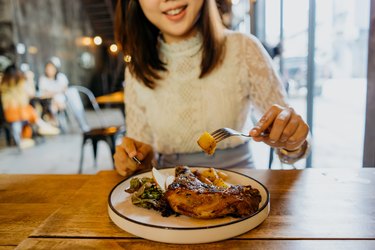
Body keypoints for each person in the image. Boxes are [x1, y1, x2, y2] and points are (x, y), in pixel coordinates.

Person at [113, 0, 310, 177]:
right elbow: (142, 153)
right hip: (170, 188)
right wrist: (135, 160)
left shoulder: (244, 48)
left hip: (242, 183)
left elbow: (291, 146)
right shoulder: (137, 68)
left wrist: (293, 144)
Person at [0, 65, 60, 148]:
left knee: (27, 111)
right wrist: (30, 79)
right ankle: (42, 126)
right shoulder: (20, 83)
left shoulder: (3, 84)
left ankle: (32, 132)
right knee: (30, 110)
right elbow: (31, 93)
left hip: (12, 115)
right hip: (20, 114)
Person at [38, 57, 69, 126]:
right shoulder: (43, 79)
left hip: (62, 99)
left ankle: (54, 120)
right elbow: (43, 93)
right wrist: (56, 91)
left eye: (51, 68)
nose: (49, 70)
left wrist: (53, 92)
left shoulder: (61, 77)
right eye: (48, 68)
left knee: (57, 100)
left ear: (55, 69)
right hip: (48, 100)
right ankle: (56, 121)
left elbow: (65, 89)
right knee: (53, 103)